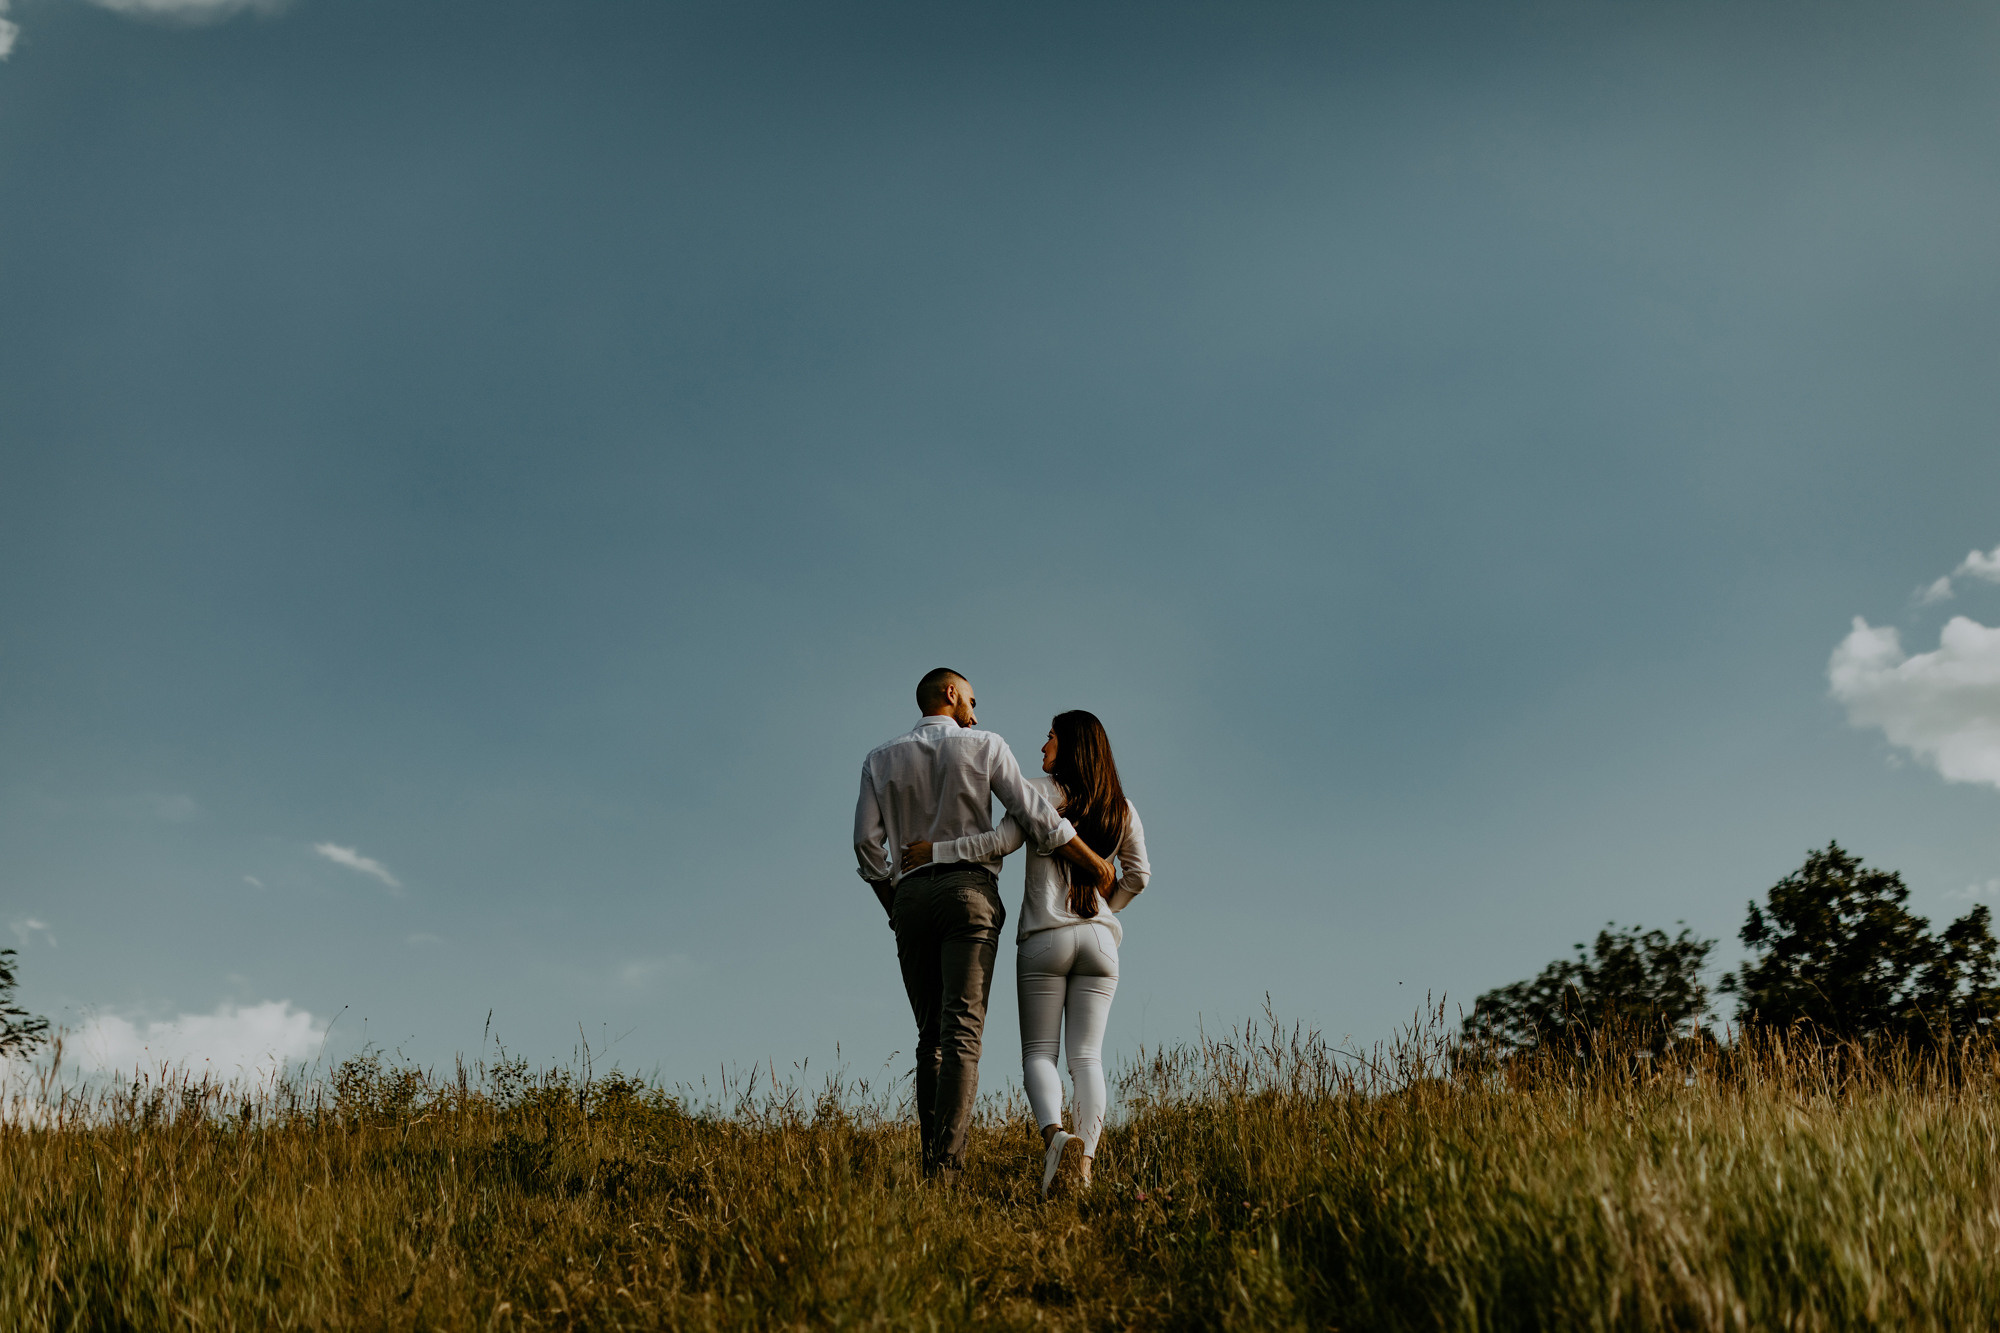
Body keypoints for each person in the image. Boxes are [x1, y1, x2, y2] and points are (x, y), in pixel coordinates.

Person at [854, 669, 1115, 1180]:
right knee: (961, 1033)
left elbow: (866, 846)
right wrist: (1095, 864)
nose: (976, 710)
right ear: (950, 695)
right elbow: (1036, 817)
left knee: (928, 1034)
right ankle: (945, 1170)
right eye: (972, 699)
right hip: (969, 895)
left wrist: (896, 902)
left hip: (909, 895)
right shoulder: (986, 746)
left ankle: (933, 1166)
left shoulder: (878, 760)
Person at [903, 709, 1148, 1200]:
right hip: (1101, 940)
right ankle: (1085, 1167)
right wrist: (1105, 905)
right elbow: (1139, 876)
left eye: (1051, 738)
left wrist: (936, 852)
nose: (1042, 747)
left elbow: (997, 844)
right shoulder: (1122, 807)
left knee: (1040, 1053)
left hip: (1044, 938)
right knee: (1088, 1057)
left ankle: (1056, 1138)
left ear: (1073, 745)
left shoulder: (1036, 790)